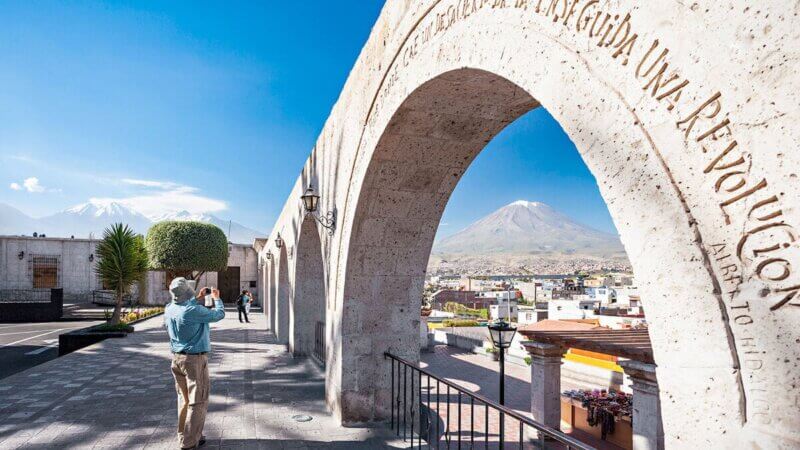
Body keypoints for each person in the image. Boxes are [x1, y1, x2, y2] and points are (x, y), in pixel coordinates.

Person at [164, 277, 225, 450]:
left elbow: (186, 308)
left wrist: (197, 298)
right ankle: (189, 442)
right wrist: (217, 298)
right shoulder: (193, 310)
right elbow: (218, 315)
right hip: (194, 360)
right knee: (198, 400)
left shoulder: (169, 308)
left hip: (177, 359)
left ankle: (185, 435)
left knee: (183, 399)